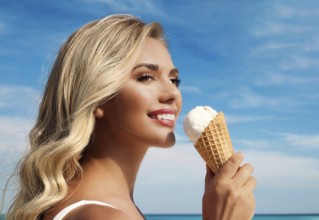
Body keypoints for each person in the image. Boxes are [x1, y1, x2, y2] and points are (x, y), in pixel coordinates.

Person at [6, 14, 256, 220]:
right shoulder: (104, 216)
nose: (173, 93)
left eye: (174, 79)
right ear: (97, 96)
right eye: (146, 77)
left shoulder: (89, 207)